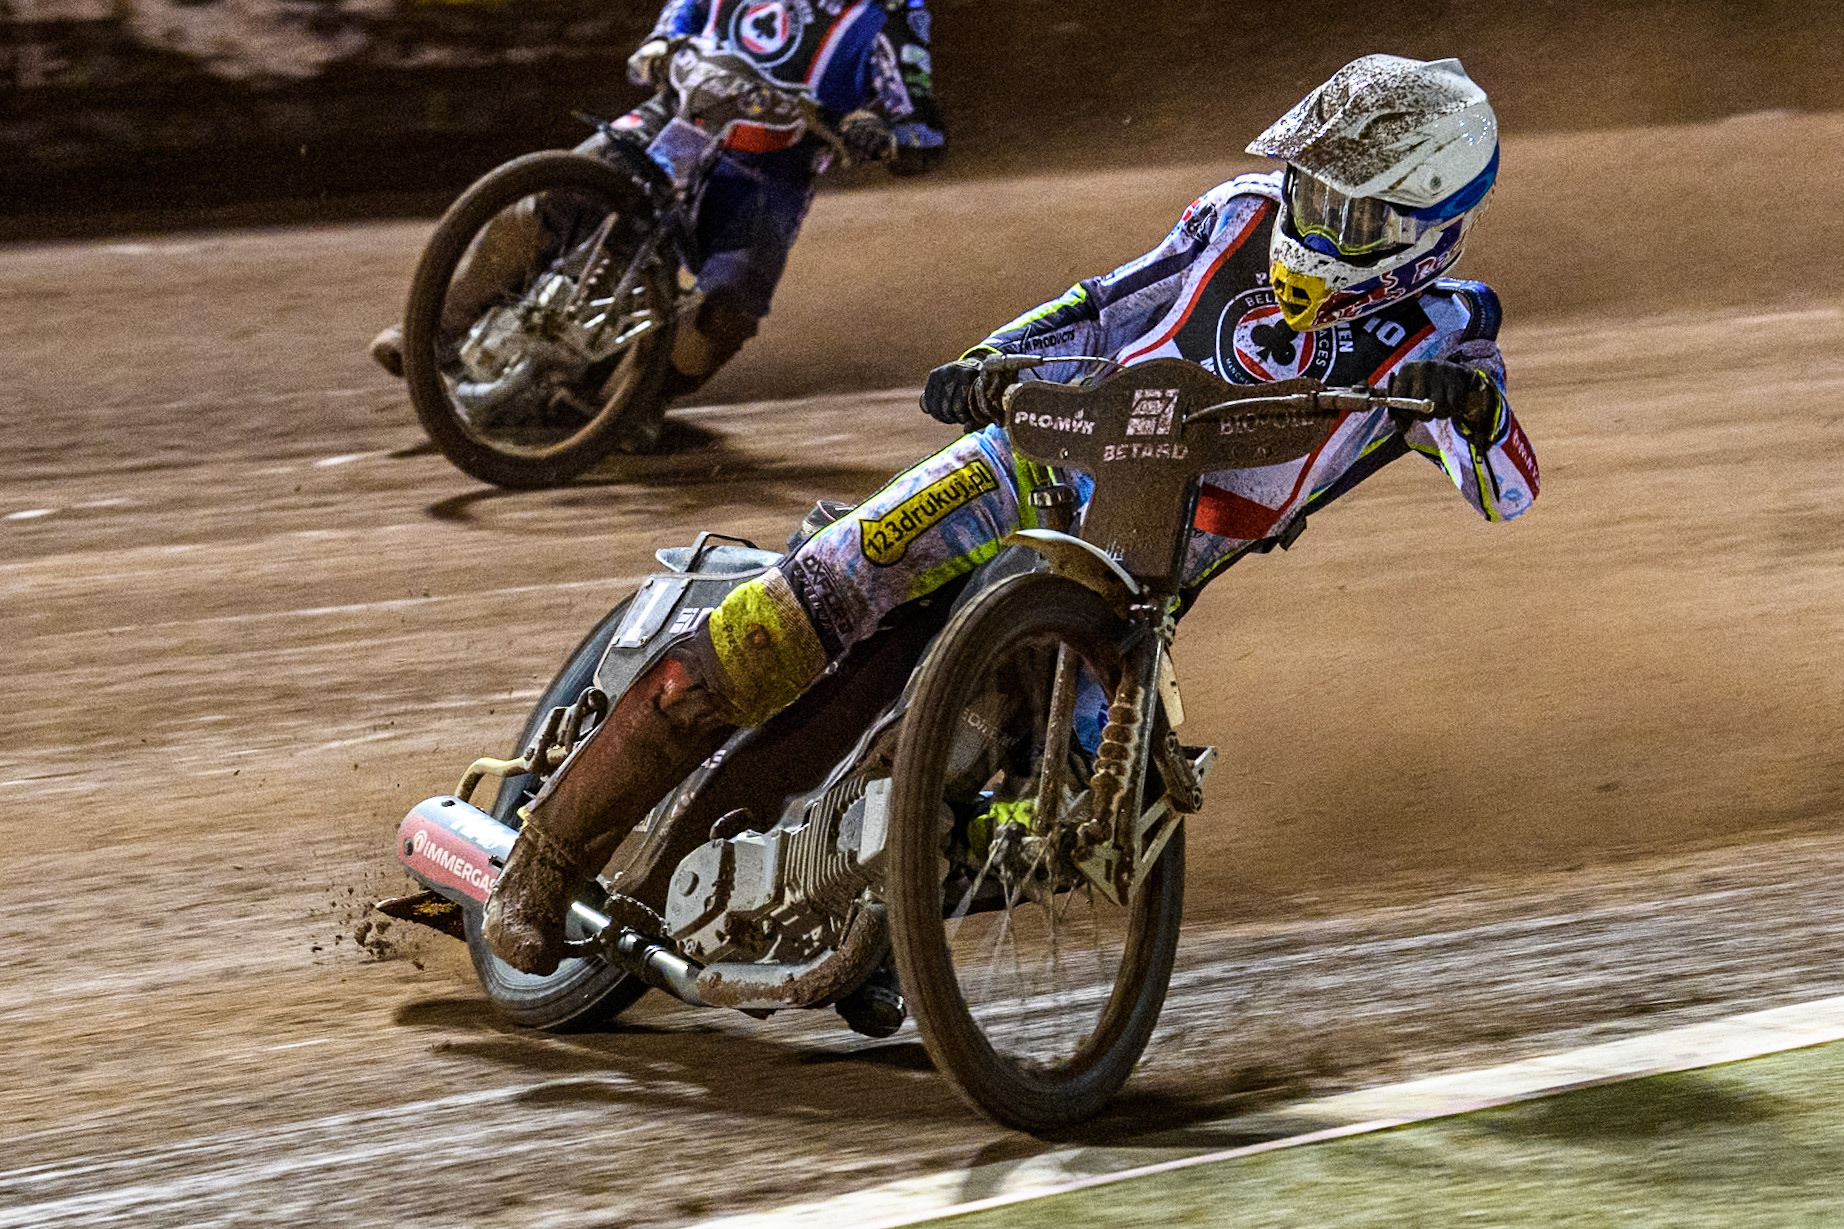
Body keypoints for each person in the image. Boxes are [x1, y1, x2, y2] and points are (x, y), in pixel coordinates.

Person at [481, 56, 1540, 988]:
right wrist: (992, 360)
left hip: (1132, 575)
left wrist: (1475, 409)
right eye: (1308, 186)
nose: (1310, 221)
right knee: (781, 620)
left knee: (1082, 812)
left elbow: (1510, 491)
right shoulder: (1239, 215)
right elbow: (1101, 300)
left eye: (1346, 212)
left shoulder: (1448, 341)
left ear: (1422, 231)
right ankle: (539, 872)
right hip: (1020, 461)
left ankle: (887, 923)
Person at [368, 0, 945, 410]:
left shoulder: (893, 15)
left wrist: (884, 131)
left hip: (768, 173)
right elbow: (685, 11)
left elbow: (919, 121)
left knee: (728, 309)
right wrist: (664, 41)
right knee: (552, 196)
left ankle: (635, 403)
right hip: (672, 120)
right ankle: (434, 332)